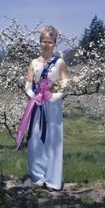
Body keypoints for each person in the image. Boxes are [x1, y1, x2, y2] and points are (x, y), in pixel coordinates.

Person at [24, 25, 68, 191]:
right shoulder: (33, 63)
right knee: (35, 141)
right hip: (37, 106)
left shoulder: (60, 62)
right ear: (40, 42)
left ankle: (52, 181)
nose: (46, 44)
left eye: (50, 41)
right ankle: (38, 177)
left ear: (54, 43)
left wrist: (54, 96)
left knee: (53, 141)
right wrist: (34, 96)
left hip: (53, 106)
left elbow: (64, 83)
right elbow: (28, 84)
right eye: (43, 41)